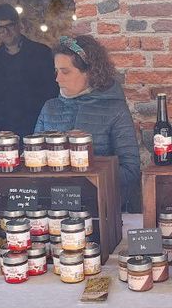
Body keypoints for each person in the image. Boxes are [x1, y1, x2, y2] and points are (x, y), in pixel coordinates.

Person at [35, 34, 141, 211]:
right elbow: (34, 163)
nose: (57, 79)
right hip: (54, 209)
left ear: (90, 72)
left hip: (100, 209)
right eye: (56, 71)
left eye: (65, 71)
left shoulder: (115, 110)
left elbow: (130, 171)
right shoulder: (49, 108)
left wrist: (86, 160)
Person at [0, 3, 58, 136]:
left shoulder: (42, 53)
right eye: (0, 28)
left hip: (38, 126)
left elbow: (53, 92)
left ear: (18, 25)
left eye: (9, 25)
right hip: (5, 130)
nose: (6, 32)